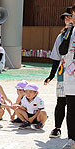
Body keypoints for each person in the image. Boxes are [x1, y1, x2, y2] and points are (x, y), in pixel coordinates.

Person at [44, 7, 72, 139]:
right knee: (61, 102)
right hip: (63, 74)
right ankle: (57, 128)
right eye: (66, 18)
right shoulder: (61, 36)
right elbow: (57, 56)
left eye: (70, 16)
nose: (68, 20)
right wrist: (51, 75)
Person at [57, 4, 75, 149]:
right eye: (72, 15)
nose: (72, 19)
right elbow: (62, 50)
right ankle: (72, 139)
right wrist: (68, 32)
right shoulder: (70, 32)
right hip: (71, 77)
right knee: (71, 109)